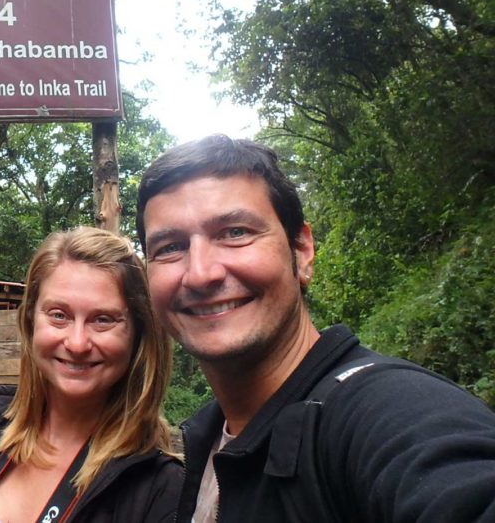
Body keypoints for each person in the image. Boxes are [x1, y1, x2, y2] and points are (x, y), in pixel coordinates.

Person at [136, 134, 495, 522]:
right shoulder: (204, 443)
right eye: (170, 247)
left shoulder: (386, 410)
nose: (201, 273)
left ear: (302, 251)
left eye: (235, 233)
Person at [0, 226, 182, 523]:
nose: (77, 343)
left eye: (103, 319)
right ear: (31, 320)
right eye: (59, 315)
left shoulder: (160, 489)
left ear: (138, 335)